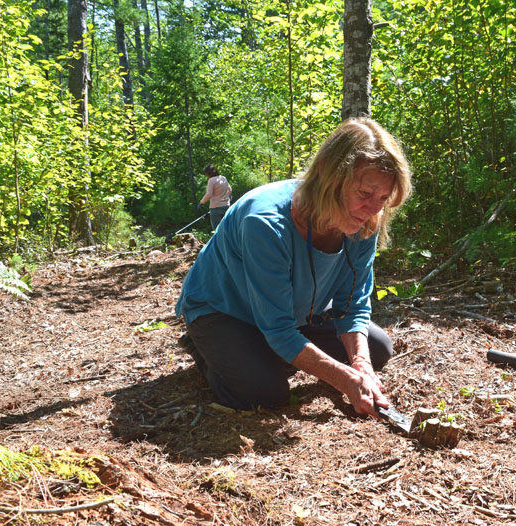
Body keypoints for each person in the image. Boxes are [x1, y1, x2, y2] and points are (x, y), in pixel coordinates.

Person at [175, 117, 412, 418]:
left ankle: (263, 354)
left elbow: (352, 307)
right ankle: (206, 347)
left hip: (292, 312)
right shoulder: (265, 223)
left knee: (376, 349)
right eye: (364, 194)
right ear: (328, 176)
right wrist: (346, 379)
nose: (373, 209)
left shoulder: (365, 221)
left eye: (382, 198)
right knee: (263, 394)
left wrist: (361, 366)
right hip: (225, 311)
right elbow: (279, 329)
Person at [199, 164, 232, 230]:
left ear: (208, 173)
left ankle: (218, 240)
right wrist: (226, 197)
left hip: (216, 208)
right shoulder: (223, 178)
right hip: (226, 206)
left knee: (217, 230)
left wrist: (201, 202)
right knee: (227, 229)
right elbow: (229, 190)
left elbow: (209, 194)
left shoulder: (211, 180)